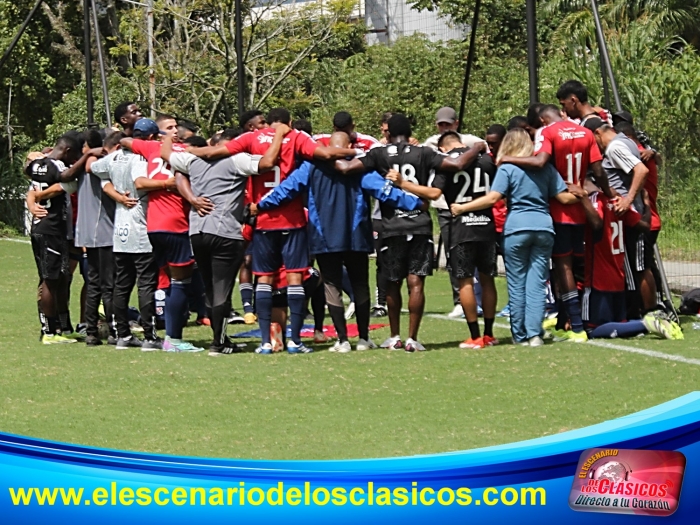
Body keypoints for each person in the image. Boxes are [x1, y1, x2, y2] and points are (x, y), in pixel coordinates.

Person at [187, 107, 358, 354]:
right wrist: (355, 150)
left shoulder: (251, 138)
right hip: (292, 219)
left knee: (264, 278)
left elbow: (215, 151)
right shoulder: (297, 137)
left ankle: (266, 342)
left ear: (267, 123)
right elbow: (325, 153)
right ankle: (295, 342)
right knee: (295, 277)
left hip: (263, 219)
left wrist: (190, 150)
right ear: (289, 122)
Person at [254, 131, 424, 353]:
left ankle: (342, 340)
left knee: (331, 285)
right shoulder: (358, 167)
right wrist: (417, 203)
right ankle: (363, 338)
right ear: (347, 146)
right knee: (360, 283)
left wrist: (260, 205)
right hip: (356, 236)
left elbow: (285, 189)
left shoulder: (310, 166)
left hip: (324, 237)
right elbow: (385, 191)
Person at [336, 113, 487, 352]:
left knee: (393, 282)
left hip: (392, 226)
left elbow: (345, 168)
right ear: (410, 132)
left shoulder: (378, 153)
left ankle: (394, 336)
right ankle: (412, 338)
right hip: (419, 224)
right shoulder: (424, 153)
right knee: (416, 283)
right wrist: (477, 147)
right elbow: (457, 164)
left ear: (388, 133)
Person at [451, 128, 583, 346]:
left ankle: (520, 334)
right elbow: (564, 198)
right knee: (537, 283)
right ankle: (535, 334)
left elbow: (493, 198)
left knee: (517, 282)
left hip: (516, 229)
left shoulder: (508, 168)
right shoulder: (546, 169)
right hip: (543, 227)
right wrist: (583, 195)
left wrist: (463, 208)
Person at [162, 125, 285, 356]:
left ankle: (220, 338)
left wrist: (169, 137)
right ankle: (218, 344)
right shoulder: (237, 160)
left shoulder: (192, 161)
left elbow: (165, 154)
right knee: (222, 290)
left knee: (210, 289)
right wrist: (279, 135)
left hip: (197, 232)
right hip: (226, 233)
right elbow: (268, 163)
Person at [498, 104, 615, 341]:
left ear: (541, 121)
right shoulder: (583, 132)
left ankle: (577, 326)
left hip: (557, 210)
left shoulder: (547, 133)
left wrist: (506, 158)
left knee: (562, 268)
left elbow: (541, 162)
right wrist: (608, 193)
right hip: (578, 207)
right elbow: (598, 169)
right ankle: (565, 320)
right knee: (576, 265)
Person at [121, 116, 204, 353]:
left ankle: (166, 332)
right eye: (171, 128)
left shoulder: (150, 147)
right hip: (176, 223)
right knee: (181, 283)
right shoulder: (187, 154)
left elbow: (126, 141)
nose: (175, 130)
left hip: (153, 225)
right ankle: (174, 340)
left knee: (168, 281)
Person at [578, 180, 681, 340]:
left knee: (591, 330)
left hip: (598, 280)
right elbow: (645, 225)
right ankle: (646, 323)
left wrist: (582, 197)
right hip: (619, 280)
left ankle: (646, 324)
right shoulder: (619, 201)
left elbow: (596, 223)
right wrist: (646, 204)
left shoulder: (596, 200)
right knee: (620, 324)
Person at [90, 131, 164, 350]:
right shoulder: (140, 159)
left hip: (120, 229)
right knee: (145, 284)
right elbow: (141, 183)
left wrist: (116, 194)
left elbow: (94, 169)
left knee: (121, 284)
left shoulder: (112, 159)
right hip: (140, 227)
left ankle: (122, 335)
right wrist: (168, 183)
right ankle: (150, 337)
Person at [430, 131, 498, 349]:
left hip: (461, 228)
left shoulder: (447, 163)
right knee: (488, 280)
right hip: (486, 225)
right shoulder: (487, 160)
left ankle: (475, 336)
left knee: (465, 281)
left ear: (443, 148)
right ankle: (489, 333)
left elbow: (436, 191)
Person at [584, 119, 652, 320]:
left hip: (627, 212)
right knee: (638, 267)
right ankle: (642, 312)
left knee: (636, 268)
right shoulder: (625, 141)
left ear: (597, 133)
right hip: (631, 212)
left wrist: (628, 200)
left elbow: (641, 170)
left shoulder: (614, 147)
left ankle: (645, 314)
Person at [25, 135, 90, 344]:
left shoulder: (38, 164)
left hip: (52, 228)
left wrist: (34, 196)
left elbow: (30, 170)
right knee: (50, 280)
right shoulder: (58, 164)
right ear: (69, 151)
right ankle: (49, 332)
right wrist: (87, 157)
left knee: (60, 279)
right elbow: (68, 180)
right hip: (49, 228)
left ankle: (63, 327)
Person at [314, 111, 379, 152]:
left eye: (345, 132)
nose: (342, 136)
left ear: (352, 127)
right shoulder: (320, 140)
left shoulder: (369, 143)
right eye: (338, 131)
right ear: (334, 128)